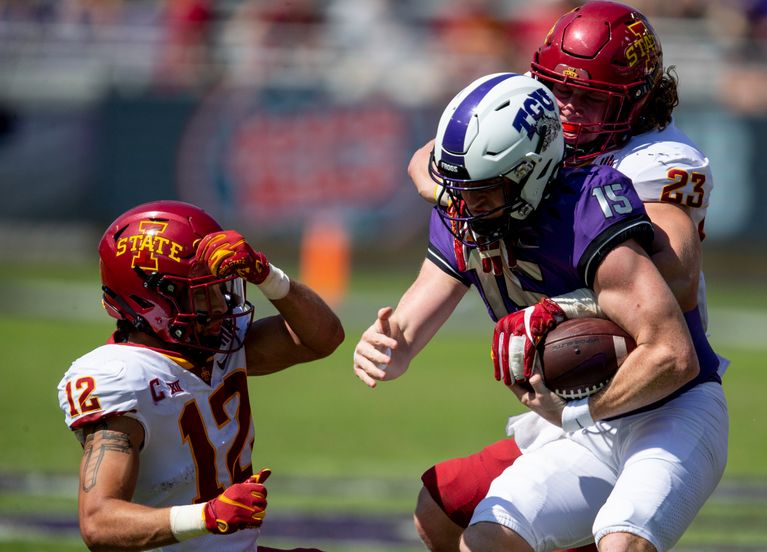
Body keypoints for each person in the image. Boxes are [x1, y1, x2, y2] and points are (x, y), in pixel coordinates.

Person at [353, 72, 727, 551]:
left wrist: (576, 411)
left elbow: (674, 354)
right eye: (458, 189)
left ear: (531, 173)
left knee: (621, 542)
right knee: (486, 537)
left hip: (671, 410)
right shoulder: (467, 207)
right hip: (580, 427)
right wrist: (390, 346)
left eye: (484, 189)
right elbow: (411, 316)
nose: (465, 205)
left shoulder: (586, 210)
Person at [57, 200, 343, 551]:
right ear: (154, 301)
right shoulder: (121, 378)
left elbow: (324, 338)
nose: (222, 305)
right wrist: (207, 515)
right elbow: (99, 523)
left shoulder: (218, 343)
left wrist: (268, 276)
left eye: (221, 287)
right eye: (204, 293)